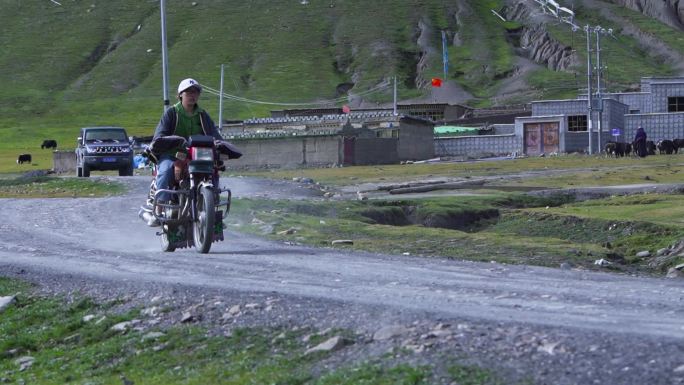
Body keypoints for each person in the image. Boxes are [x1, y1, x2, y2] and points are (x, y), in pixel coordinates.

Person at [147, 78, 222, 226]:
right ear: (180, 94)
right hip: (172, 154)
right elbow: (159, 136)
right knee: (166, 169)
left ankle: (213, 210)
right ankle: (159, 208)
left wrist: (219, 143)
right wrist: (174, 141)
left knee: (214, 170)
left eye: (195, 92)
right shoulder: (171, 113)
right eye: (189, 92)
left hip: (197, 155)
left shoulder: (202, 115)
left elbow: (215, 134)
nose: (192, 95)